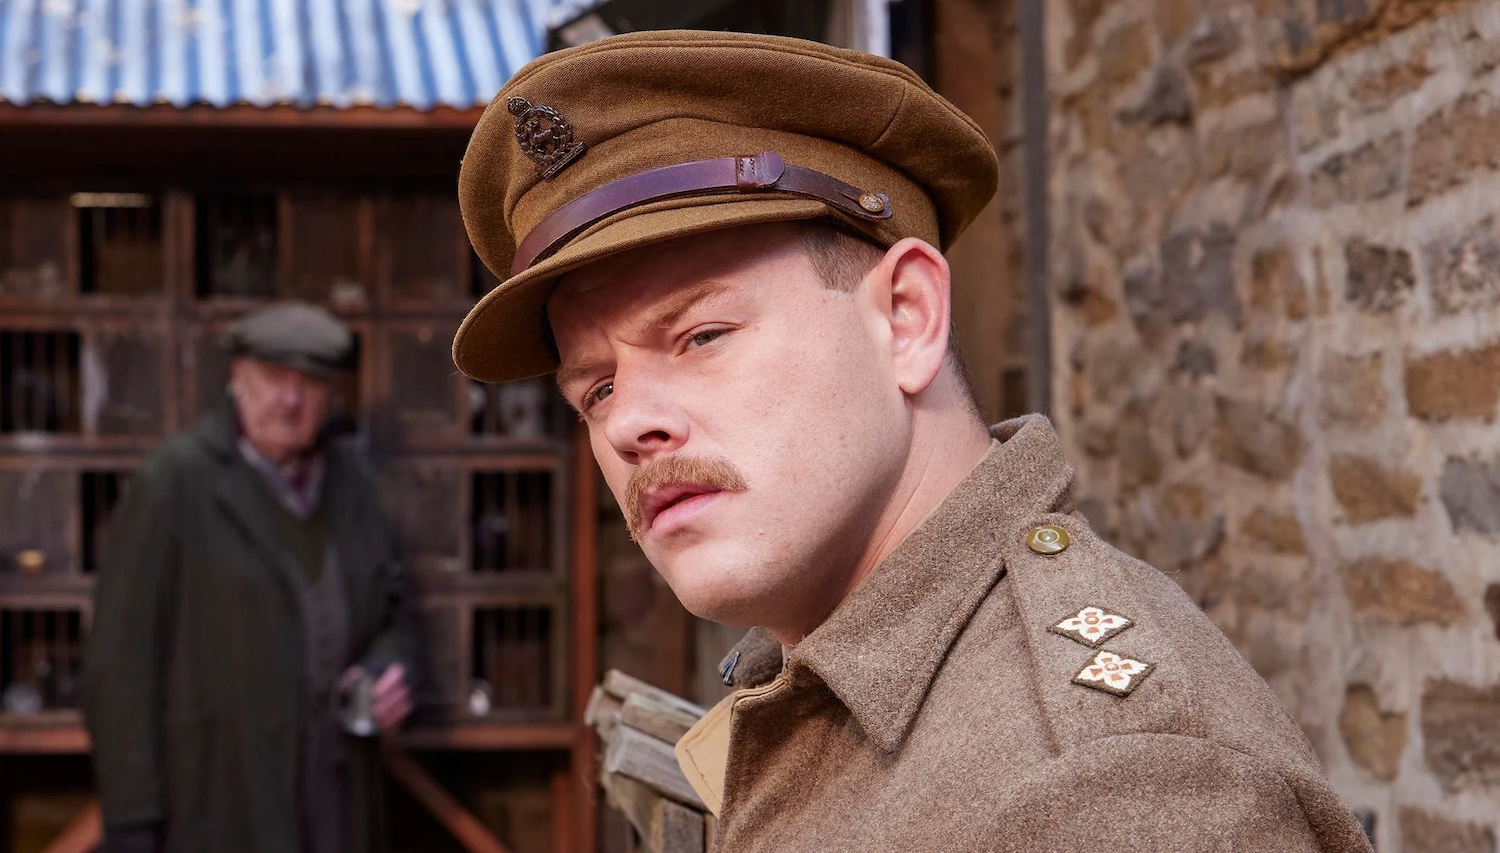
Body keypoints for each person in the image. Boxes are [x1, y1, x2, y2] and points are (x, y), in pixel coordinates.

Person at [451, 31, 1373, 853]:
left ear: (906, 316)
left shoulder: (1114, 787)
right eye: (597, 388)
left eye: (701, 335)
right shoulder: (826, 684)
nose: (625, 424)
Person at [84, 302, 421, 853]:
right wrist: (132, 820)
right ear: (237, 377)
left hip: (335, 797)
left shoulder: (353, 483)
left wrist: (389, 670)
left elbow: (395, 615)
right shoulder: (174, 483)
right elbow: (120, 664)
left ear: (332, 394)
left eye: (310, 383)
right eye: (273, 378)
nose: (289, 400)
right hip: (217, 800)